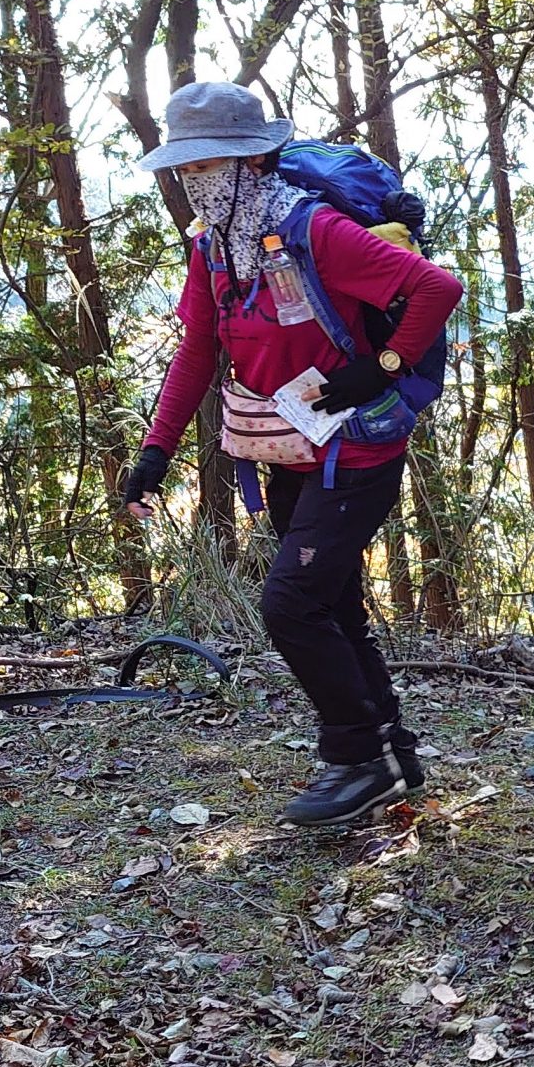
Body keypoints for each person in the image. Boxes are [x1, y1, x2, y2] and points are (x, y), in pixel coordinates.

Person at [118, 82, 463, 826]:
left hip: (358, 453)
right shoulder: (217, 249)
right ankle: (392, 754)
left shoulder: (316, 230)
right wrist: (155, 452)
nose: (194, 183)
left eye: (207, 166)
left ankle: (355, 759)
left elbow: (436, 288)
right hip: (286, 450)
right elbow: (198, 350)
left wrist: (384, 366)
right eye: (184, 169)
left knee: (290, 603)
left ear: (253, 161)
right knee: (331, 603)